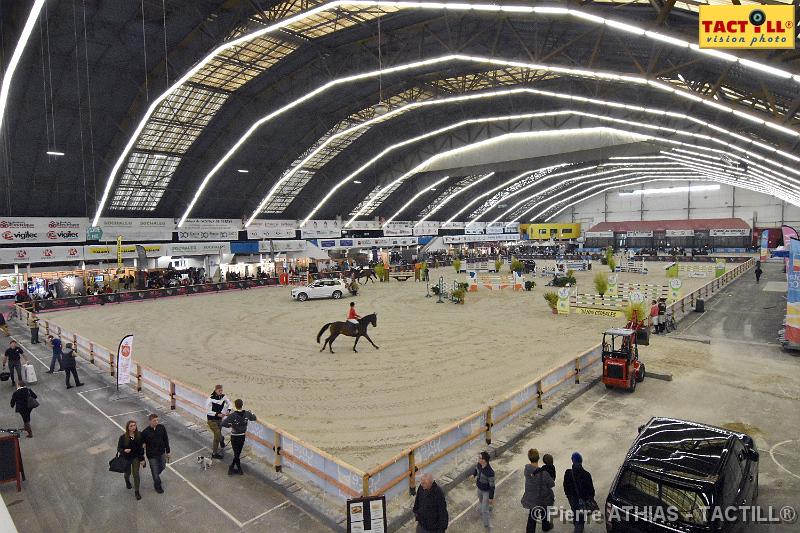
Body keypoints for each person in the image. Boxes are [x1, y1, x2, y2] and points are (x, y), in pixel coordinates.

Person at [521, 448, 555, 533]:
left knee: (532, 517)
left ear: (529, 458)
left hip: (532, 497)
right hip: (543, 497)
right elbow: (551, 484)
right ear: (538, 458)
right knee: (545, 511)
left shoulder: (527, 470)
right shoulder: (544, 473)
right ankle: (545, 526)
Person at [221, 398, 256, 475]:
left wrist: (231, 425)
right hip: (242, 436)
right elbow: (254, 418)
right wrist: (251, 413)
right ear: (242, 405)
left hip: (234, 436)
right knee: (237, 453)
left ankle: (232, 468)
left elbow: (223, 423)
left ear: (235, 406)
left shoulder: (232, 415)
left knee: (236, 453)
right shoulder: (247, 413)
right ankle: (237, 469)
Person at [563, 452, 595, 533]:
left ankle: (576, 522)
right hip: (583, 501)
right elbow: (591, 491)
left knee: (575, 511)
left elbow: (565, 486)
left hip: (572, 500)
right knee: (580, 520)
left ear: (573, 461)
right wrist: (589, 499)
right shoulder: (586, 475)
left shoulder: (568, 473)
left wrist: (568, 496)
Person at [117, 420, 146, 500]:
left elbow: (141, 448)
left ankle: (137, 491)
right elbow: (119, 448)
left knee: (136, 474)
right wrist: (124, 450)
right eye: (131, 426)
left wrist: (142, 459)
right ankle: (127, 480)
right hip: (126, 458)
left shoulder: (139, 435)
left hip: (135, 457)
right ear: (128, 427)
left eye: (134, 425)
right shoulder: (123, 437)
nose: (133, 427)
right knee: (127, 473)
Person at [141, 414, 170, 493]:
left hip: (161, 452)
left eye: (157, 420)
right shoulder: (145, 432)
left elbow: (166, 439)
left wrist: (168, 451)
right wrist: (142, 458)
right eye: (154, 421)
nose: (156, 422)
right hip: (152, 455)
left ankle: (156, 474)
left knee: (163, 466)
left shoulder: (161, 427)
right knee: (154, 471)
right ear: (150, 421)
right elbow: (142, 446)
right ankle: (157, 485)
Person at [205, 384, 231, 459]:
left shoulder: (223, 397)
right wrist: (217, 414)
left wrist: (229, 410)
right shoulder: (210, 398)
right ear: (216, 390)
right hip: (211, 420)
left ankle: (214, 453)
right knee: (218, 435)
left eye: (221, 390)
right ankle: (222, 440)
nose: (221, 392)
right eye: (219, 390)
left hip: (219, 420)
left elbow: (229, 403)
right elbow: (207, 411)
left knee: (216, 437)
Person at [472, 451, 495, 531]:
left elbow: (492, 486)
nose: (478, 459)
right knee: (482, 503)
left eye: (480, 458)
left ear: (484, 460)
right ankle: (489, 507)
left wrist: (491, 498)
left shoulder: (490, 472)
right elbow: (476, 469)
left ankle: (487, 527)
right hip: (479, 489)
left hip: (486, 492)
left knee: (484, 511)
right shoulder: (479, 464)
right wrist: (474, 474)